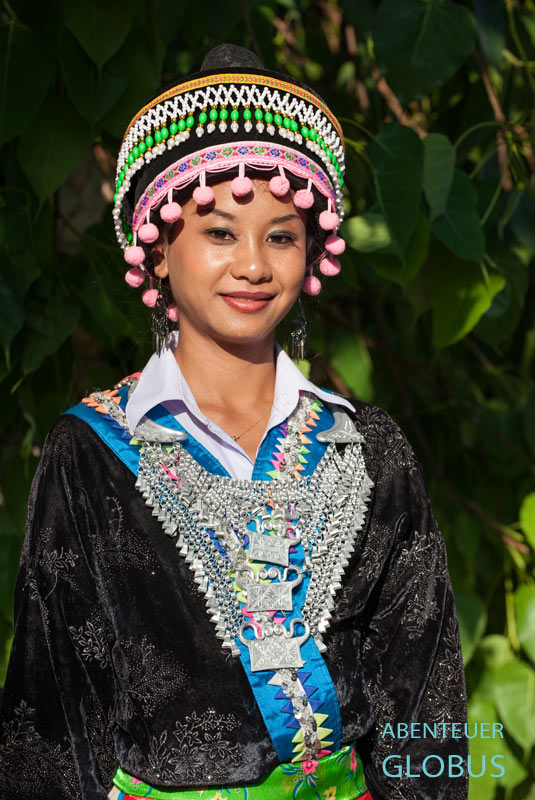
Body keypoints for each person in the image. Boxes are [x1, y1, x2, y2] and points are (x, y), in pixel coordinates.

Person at [0, 44, 469, 800]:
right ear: (156, 253)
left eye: (280, 235)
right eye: (219, 233)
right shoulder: (88, 455)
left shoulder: (368, 449)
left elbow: (425, 706)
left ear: (311, 252)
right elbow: (51, 721)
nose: (253, 265)